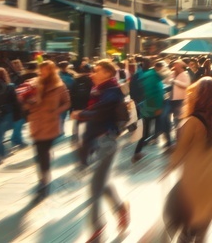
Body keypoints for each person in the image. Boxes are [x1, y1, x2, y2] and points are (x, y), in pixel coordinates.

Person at [161, 77, 212, 243]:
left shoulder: (193, 121)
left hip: (191, 181)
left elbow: (180, 153)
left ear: (200, 96)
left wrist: (168, 169)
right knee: (201, 232)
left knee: (181, 228)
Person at [73, 60, 130, 242]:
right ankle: (120, 208)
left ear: (107, 73)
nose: (92, 74)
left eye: (96, 71)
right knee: (103, 182)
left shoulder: (111, 91)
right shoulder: (100, 90)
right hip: (96, 139)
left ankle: (98, 229)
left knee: (95, 186)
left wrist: (81, 114)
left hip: (107, 141)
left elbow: (100, 113)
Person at [21, 61, 71, 195]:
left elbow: (67, 102)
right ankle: (43, 174)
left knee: (43, 152)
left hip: (50, 123)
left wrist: (56, 111)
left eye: (46, 70)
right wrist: (27, 102)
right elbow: (25, 102)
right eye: (41, 70)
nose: (42, 73)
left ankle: (44, 179)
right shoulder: (33, 83)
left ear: (52, 71)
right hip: (36, 123)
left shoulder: (59, 86)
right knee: (39, 153)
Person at [133, 62, 173, 162]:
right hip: (153, 108)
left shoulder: (150, 75)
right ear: (158, 68)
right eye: (163, 68)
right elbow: (153, 94)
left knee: (147, 132)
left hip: (148, 108)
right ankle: (169, 144)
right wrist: (157, 107)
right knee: (164, 125)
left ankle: (137, 152)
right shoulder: (153, 77)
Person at [169, 61, 193, 127]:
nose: (175, 67)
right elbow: (167, 81)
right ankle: (177, 127)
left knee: (179, 115)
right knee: (175, 115)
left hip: (181, 98)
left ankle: (180, 128)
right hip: (173, 98)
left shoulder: (185, 74)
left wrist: (175, 81)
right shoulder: (173, 73)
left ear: (181, 67)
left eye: (176, 66)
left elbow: (187, 85)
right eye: (174, 65)